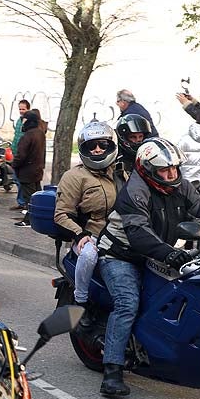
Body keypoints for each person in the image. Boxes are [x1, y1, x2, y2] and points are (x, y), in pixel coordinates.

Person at [95, 139, 200, 397]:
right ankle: (112, 371)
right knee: (127, 304)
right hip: (121, 255)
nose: (172, 175)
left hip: (157, 254)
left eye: (175, 169)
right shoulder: (135, 191)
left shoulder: (181, 187)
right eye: (165, 171)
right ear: (148, 170)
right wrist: (171, 254)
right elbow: (139, 233)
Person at [53, 120, 118, 314]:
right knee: (89, 255)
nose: (98, 149)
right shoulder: (74, 176)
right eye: (92, 145)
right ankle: (81, 299)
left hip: (117, 234)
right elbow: (61, 214)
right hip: (90, 234)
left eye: (103, 145)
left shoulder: (120, 172)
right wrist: (80, 233)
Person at [12, 110, 46, 228]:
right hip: (37, 170)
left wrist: (14, 165)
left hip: (27, 172)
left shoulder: (27, 136)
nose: (23, 123)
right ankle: (39, 217)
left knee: (30, 198)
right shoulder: (40, 133)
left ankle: (29, 219)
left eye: (25, 120)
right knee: (37, 196)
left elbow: (20, 155)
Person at [114, 113, 155, 181]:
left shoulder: (149, 157)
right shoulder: (117, 160)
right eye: (133, 137)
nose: (138, 140)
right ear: (124, 138)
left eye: (140, 136)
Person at [9, 99, 30, 210]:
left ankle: (23, 202)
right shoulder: (19, 120)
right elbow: (16, 137)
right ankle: (21, 201)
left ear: (28, 109)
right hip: (16, 153)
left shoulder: (28, 122)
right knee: (16, 179)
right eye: (20, 109)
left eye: (23, 109)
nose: (21, 111)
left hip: (22, 155)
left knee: (21, 179)